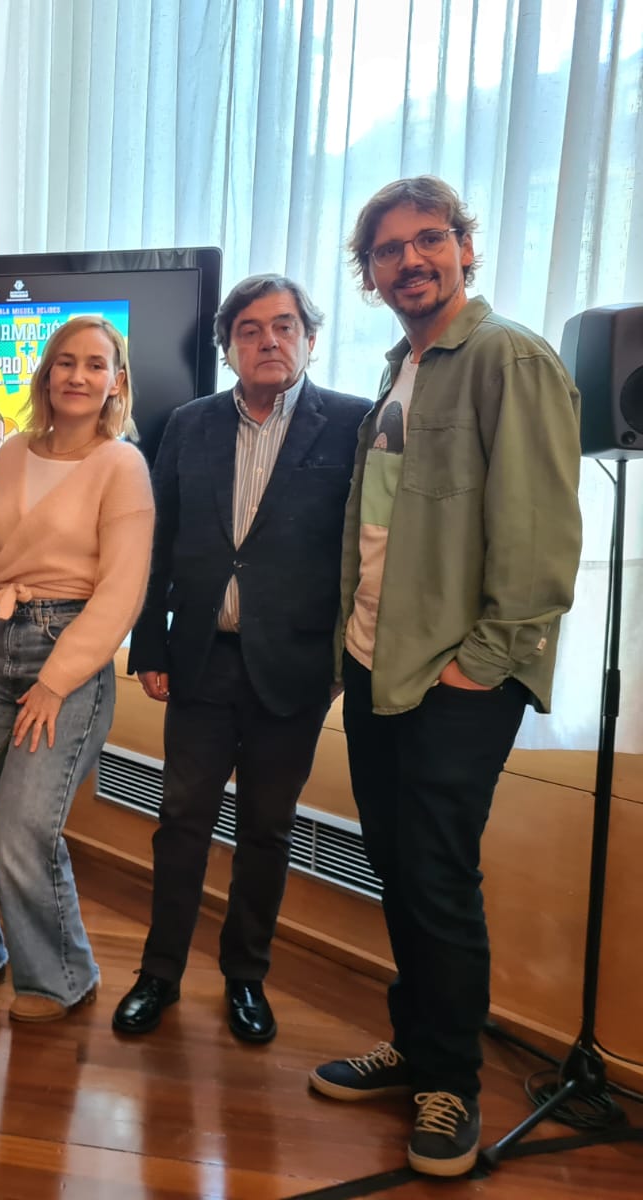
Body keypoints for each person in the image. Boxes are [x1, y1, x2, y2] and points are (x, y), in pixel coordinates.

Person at [309, 177, 582, 1178]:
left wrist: (482, 667)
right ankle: (416, 1045)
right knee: (397, 864)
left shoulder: (510, 357)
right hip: (378, 665)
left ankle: (450, 1086)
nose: (410, 261)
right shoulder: (402, 367)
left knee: (436, 874)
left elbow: (541, 539)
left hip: (456, 679)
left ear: (466, 247)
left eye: (429, 239)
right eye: (387, 250)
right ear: (369, 273)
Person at [113, 275, 369, 1044]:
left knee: (267, 830)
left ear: (310, 339)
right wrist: (149, 644)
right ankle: (159, 973)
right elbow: (157, 540)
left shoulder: (353, 424)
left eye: (284, 326)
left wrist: (340, 662)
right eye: (250, 330)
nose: (269, 341)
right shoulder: (188, 424)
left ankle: (246, 976)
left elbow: (362, 555)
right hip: (200, 660)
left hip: (295, 671)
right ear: (228, 348)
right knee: (180, 822)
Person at [0, 315, 155, 1022]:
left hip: (67, 660)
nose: (78, 375)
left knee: (22, 828)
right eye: (65, 362)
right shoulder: (14, 452)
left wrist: (54, 682)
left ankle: (60, 978)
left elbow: (122, 593)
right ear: (46, 376)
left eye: (95, 364)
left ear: (116, 382)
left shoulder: (123, 466)